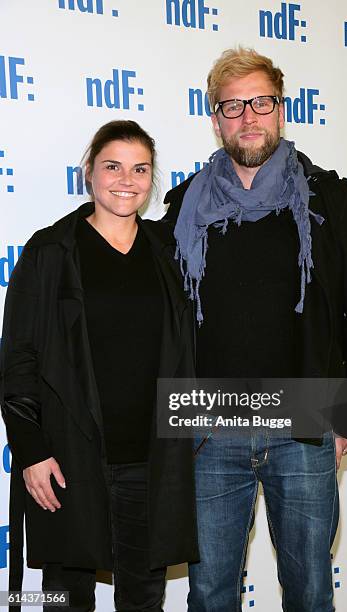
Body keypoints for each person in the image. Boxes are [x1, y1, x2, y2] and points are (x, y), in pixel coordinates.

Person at [163, 48, 347, 611]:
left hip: (305, 428)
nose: (249, 117)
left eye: (261, 102)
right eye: (233, 106)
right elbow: (159, 321)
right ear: (215, 119)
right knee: (211, 593)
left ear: (281, 109)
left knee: (309, 588)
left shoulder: (330, 199)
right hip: (211, 430)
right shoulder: (184, 207)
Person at [0, 120, 198, 612]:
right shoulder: (49, 251)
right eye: (112, 166)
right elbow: (18, 357)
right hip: (68, 458)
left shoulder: (167, 252)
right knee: (64, 599)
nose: (126, 179)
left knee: (145, 598)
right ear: (89, 172)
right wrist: (30, 451)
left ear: (152, 179)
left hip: (149, 460)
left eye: (139, 169)